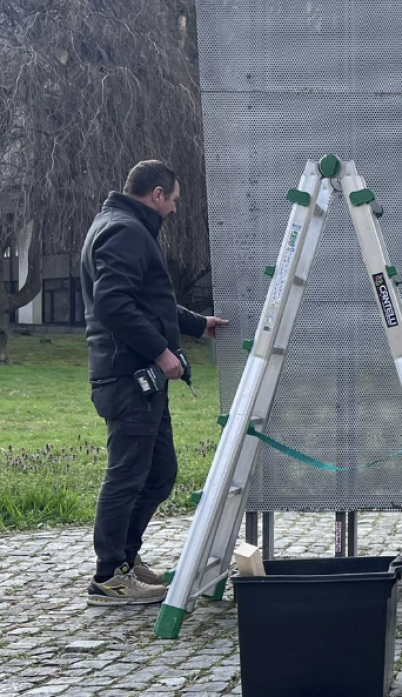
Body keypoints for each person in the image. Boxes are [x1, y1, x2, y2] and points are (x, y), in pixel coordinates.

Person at [80, 160, 228, 606]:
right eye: (175, 201)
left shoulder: (123, 226)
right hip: (128, 378)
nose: (176, 210)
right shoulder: (125, 231)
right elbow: (113, 304)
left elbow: (149, 302)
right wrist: (162, 353)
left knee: (160, 474)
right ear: (157, 194)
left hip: (137, 378)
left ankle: (127, 559)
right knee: (126, 477)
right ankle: (108, 577)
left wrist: (196, 324)